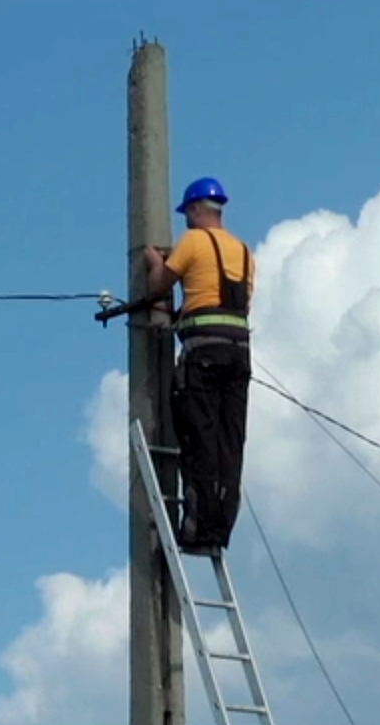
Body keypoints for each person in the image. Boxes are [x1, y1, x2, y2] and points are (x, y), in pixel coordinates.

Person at [139, 175, 254, 556]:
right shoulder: (243, 252)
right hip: (239, 353)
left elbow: (158, 287)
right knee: (229, 442)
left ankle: (198, 529)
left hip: (203, 354)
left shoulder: (192, 243)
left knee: (199, 437)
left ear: (194, 209)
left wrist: (157, 262)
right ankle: (220, 528)